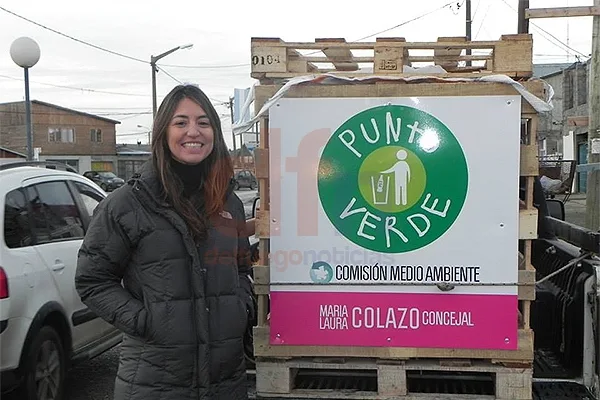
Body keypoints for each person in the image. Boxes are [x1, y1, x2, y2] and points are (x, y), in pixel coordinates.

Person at [75, 84, 256, 400]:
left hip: (225, 381)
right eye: (181, 122)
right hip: (153, 382)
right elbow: (92, 281)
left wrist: (240, 307)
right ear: (163, 132)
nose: (193, 131)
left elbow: (240, 268)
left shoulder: (228, 203)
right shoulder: (126, 204)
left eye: (203, 122)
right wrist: (147, 322)